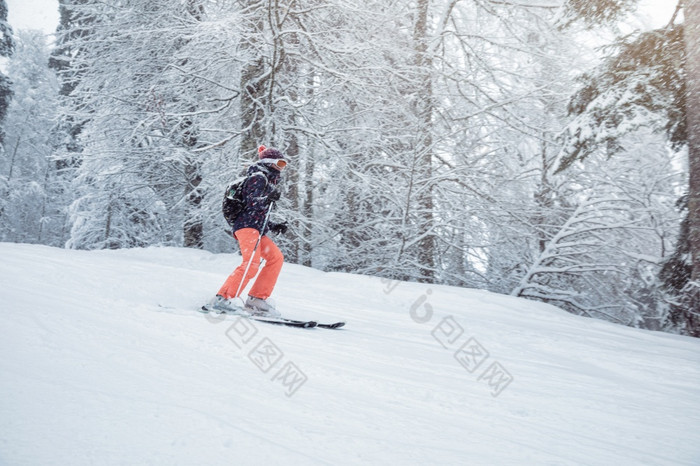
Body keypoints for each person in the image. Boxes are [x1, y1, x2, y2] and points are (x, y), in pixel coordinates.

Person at [207, 145, 289, 316]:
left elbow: (257, 212)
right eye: (280, 163)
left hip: (256, 228)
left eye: (284, 164)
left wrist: (273, 225)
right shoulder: (258, 177)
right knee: (251, 263)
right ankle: (222, 299)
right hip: (246, 228)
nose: (282, 168)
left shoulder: (266, 180)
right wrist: (268, 198)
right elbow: (252, 203)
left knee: (276, 258)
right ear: (269, 162)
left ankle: (256, 300)